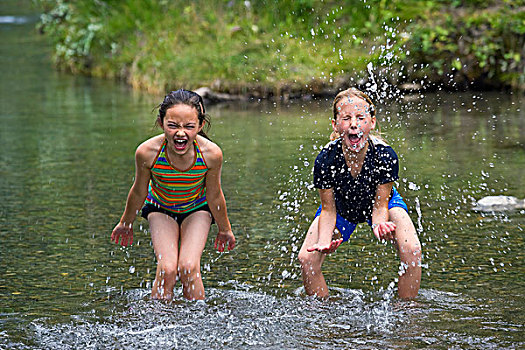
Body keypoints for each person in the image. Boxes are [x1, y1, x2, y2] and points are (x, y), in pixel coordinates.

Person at [111, 89, 235, 301]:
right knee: (167, 269)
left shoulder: (211, 154)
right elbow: (139, 190)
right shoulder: (148, 152)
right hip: (161, 208)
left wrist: (225, 229)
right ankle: (158, 323)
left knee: (188, 267)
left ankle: (196, 323)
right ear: (161, 123)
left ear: (200, 125)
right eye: (173, 125)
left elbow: (215, 196)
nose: (180, 133)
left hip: (197, 209)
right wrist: (126, 222)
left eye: (189, 126)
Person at [298, 87, 421, 299]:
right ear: (336, 125)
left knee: (413, 250)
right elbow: (328, 210)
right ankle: (321, 316)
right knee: (307, 259)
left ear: (371, 123)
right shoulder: (326, 159)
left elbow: (380, 205)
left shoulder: (385, 155)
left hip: (382, 204)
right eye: (346, 118)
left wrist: (379, 224)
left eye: (360, 117)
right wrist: (326, 240)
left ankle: (407, 312)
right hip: (341, 207)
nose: (353, 124)